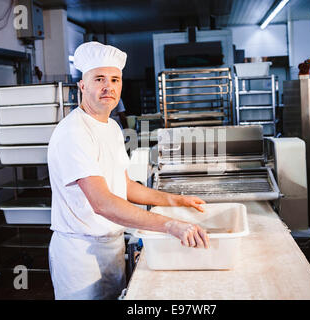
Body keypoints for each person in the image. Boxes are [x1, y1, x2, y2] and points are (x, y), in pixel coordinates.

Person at [47, 41, 210, 300]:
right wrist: (170, 225)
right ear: (82, 85)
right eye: (99, 79)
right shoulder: (73, 132)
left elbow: (123, 186)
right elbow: (102, 202)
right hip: (80, 255)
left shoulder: (111, 127)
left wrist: (176, 200)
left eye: (114, 79)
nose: (108, 87)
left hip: (111, 245)